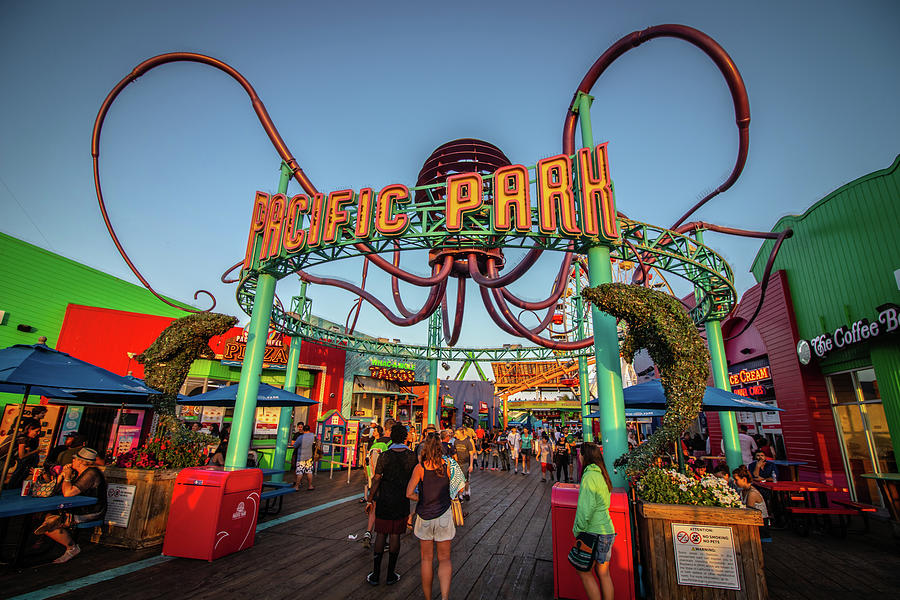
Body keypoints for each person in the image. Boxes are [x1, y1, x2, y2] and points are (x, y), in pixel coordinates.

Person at [34, 447, 107, 563]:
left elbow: (68, 493)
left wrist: (67, 477)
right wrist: (62, 476)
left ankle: (72, 548)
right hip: (78, 508)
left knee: (49, 523)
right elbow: (57, 490)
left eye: (75, 459)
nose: (72, 460)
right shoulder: (79, 473)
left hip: (91, 511)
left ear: (81, 462)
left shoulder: (91, 473)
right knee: (43, 515)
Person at [365, 424, 417, 586]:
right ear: (405, 437)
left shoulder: (385, 456)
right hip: (401, 498)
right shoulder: (411, 456)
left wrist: (370, 498)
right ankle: (390, 574)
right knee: (395, 535)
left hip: (384, 498)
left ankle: (375, 573)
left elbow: (377, 479)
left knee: (381, 533)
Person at [407, 434, 455, 600]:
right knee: (445, 559)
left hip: (425, 515)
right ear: (440, 448)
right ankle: (444, 597)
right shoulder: (448, 465)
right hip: (444, 514)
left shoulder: (420, 468)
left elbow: (409, 493)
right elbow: (459, 489)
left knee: (426, 559)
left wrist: (421, 497)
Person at [572, 442, 616, 600]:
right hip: (607, 529)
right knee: (604, 574)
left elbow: (585, 509)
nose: (579, 456)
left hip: (592, 531)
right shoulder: (602, 473)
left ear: (585, 456)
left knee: (584, 572)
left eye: (580, 454)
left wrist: (578, 530)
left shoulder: (589, 476)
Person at [363, 430, 391, 548]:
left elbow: (367, 461)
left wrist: (370, 477)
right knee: (385, 512)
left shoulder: (374, 443)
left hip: (374, 478)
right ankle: (382, 541)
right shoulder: (390, 444)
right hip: (385, 481)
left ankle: (368, 532)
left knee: (373, 507)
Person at [3, 421, 42, 489]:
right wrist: (36, 451)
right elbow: (21, 456)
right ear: (30, 429)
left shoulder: (20, 436)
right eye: (36, 431)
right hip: (3, 459)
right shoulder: (22, 438)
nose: (37, 434)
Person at [453, 427, 475, 500]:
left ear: (462, 434)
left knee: (466, 480)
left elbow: (471, 454)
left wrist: (471, 465)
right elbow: (454, 452)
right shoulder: (456, 442)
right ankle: (460, 494)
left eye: (457, 433)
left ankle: (466, 492)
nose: (455, 435)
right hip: (458, 463)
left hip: (465, 463)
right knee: (459, 480)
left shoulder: (467, 442)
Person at [292, 425, 316, 491]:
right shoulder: (312, 436)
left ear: (303, 430)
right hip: (309, 456)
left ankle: (297, 486)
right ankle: (310, 485)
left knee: (300, 472)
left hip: (301, 457)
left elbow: (295, 445)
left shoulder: (301, 437)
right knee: (309, 471)